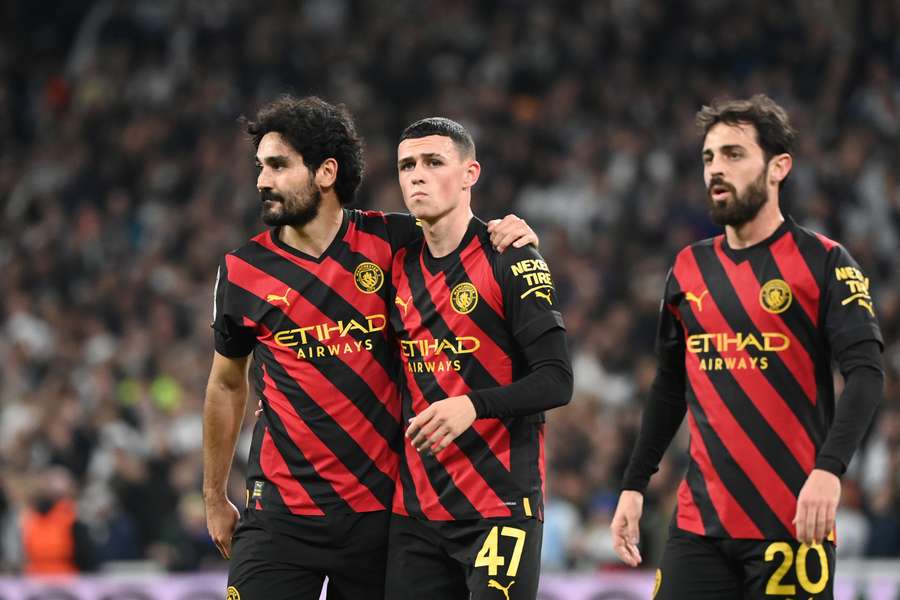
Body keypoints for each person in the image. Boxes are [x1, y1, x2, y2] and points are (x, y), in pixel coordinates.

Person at [202, 95, 538, 600]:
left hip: (378, 514)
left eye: (277, 166)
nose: (261, 181)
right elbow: (227, 384)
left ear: (326, 172)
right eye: (260, 167)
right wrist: (213, 495)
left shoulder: (394, 242)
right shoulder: (243, 270)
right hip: (279, 513)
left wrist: (509, 230)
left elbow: (459, 234)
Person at [610, 94, 885, 599]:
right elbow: (670, 387)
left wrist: (829, 470)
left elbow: (867, 373)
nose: (716, 169)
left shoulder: (824, 262)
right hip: (698, 525)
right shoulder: (688, 268)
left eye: (734, 155)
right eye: (709, 157)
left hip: (792, 521)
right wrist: (634, 484)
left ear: (778, 167)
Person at [384, 117, 573, 600]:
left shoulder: (511, 257)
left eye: (433, 162)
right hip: (416, 514)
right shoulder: (396, 264)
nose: (417, 175)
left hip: (499, 507)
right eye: (407, 165)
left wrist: (472, 405)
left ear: (470, 174)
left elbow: (556, 380)